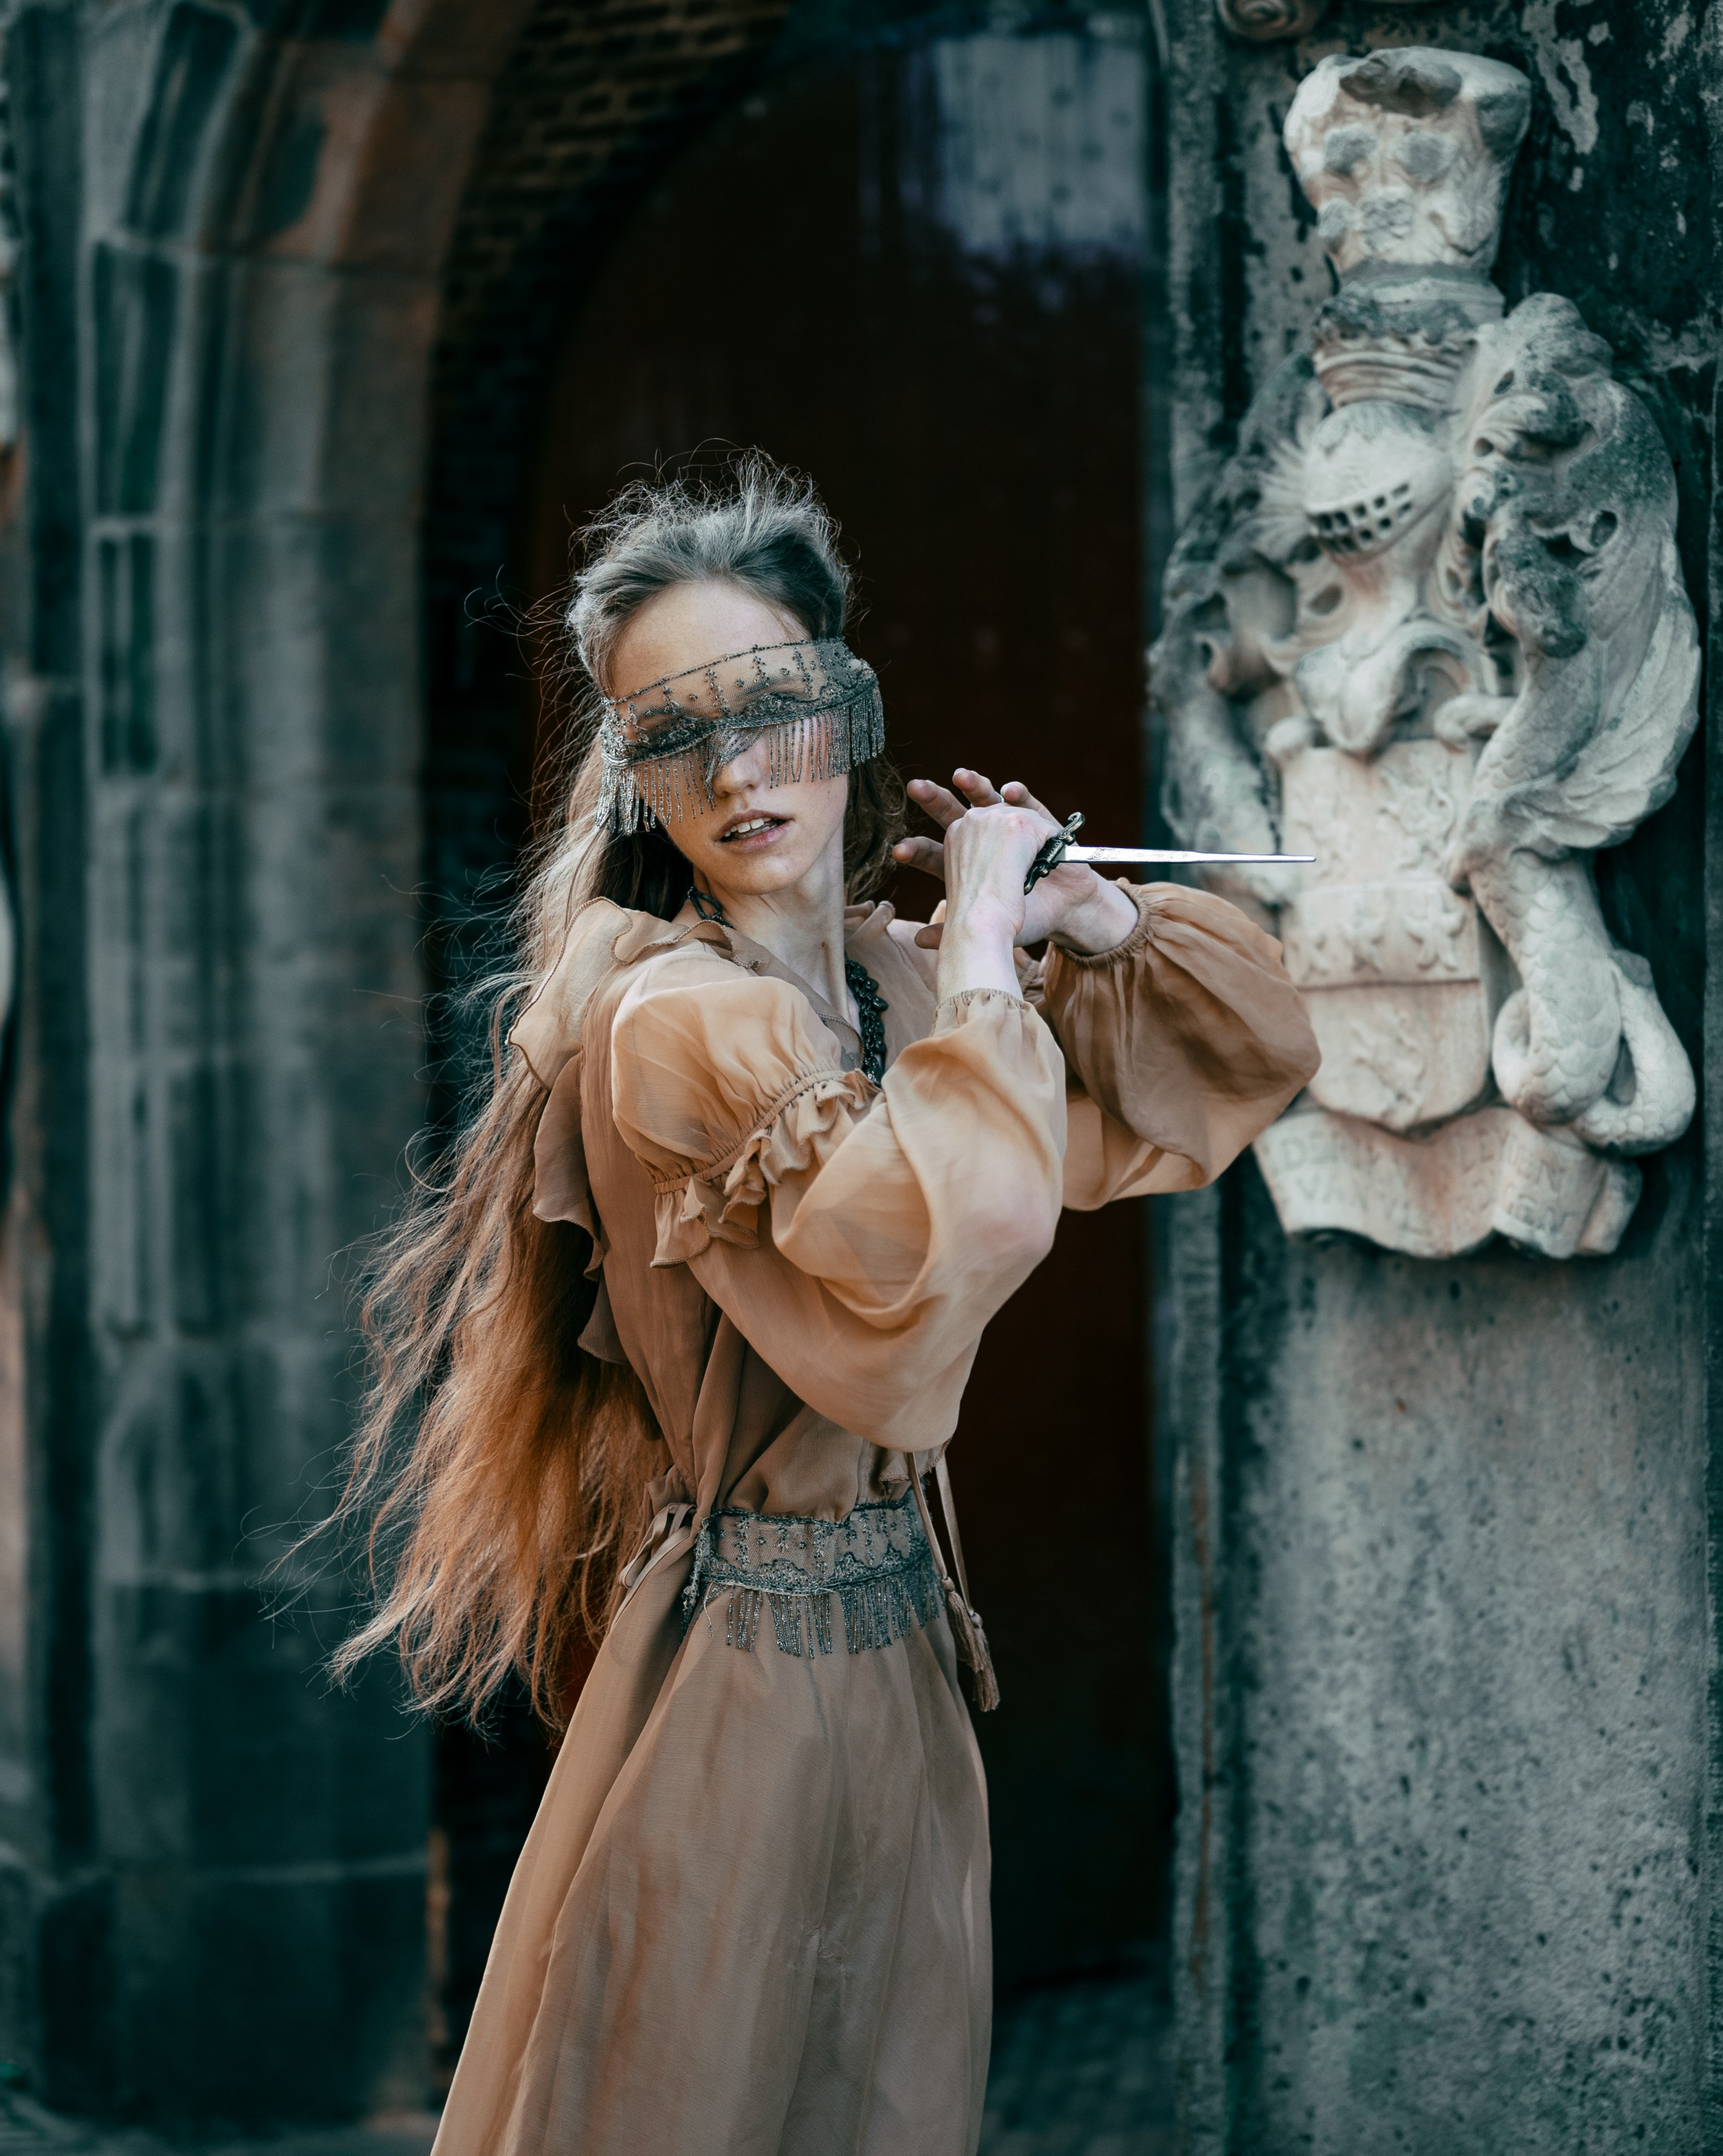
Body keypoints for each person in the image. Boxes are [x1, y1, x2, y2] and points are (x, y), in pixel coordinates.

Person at [332, 458, 1319, 2155]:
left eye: (775, 703)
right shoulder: (671, 1024)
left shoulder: (888, 984)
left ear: (848, 712)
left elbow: (1217, 1084)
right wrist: (997, 965)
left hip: (905, 1663)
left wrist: (1088, 922)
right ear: (636, 776)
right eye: (673, 729)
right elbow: (936, 1248)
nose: (732, 768)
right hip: (738, 1685)